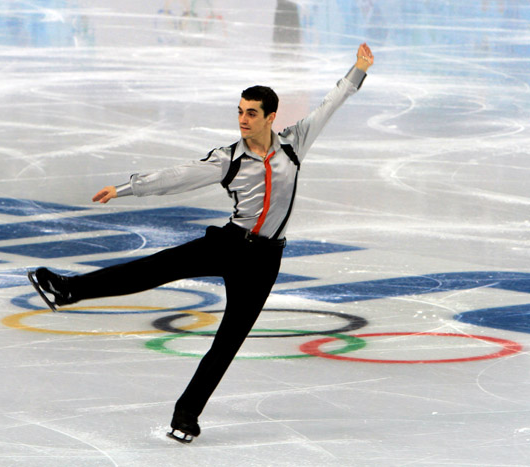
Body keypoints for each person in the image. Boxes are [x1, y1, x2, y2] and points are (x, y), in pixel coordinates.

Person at [28, 43, 374, 443]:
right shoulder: (229, 159)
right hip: (229, 244)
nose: (243, 119)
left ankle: (186, 417)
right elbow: (178, 176)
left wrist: (358, 70)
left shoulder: (294, 144)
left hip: (265, 261)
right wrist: (125, 189)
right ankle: (67, 290)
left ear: (271, 117)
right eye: (240, 111)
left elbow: (331, 103)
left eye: (251, 113)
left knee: (227, 343)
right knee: (153, 268)